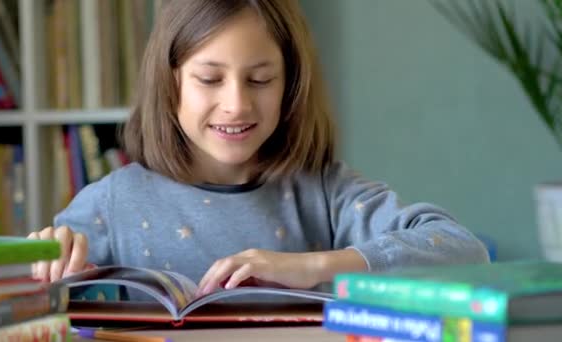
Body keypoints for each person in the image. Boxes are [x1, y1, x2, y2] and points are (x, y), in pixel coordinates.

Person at [28, 0, 489, 297]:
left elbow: (463, 250)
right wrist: (45, 267)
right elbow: (12, 299)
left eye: (261, 79)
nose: (236, 104)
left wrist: (313, 267)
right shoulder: (111, 205)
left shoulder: (324, 191)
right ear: (170, 86)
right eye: (210, 79)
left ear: (289, 86)